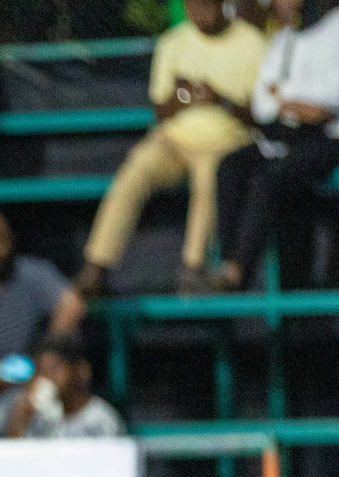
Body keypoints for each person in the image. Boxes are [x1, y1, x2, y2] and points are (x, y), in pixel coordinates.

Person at [75, 0, 267, 297]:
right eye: (192, 6)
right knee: (136, 170)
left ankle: (193, 268)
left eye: (204, 5)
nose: (198, 12)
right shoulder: (172, 43)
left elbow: (262, 115)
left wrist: (219, 100)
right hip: (174, 140)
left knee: (211, 179)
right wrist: (183, 97)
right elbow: (160, 109)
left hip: (225, 141)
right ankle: (97, 264)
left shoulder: (252, 43)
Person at [211, 0, 339, 291]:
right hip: (286, 140)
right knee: (230, 167)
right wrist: (299, 104)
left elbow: (328, 105)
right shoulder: (286, 38)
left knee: (270, 178)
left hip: (337, 140)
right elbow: (263, 105)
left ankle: (236, 274)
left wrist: (285, 96)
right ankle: (225, 268)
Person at [0, 209, 87, 431]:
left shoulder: (31, 275)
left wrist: (45, 361)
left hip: (27, 379)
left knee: (17, 409)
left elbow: (71, 305)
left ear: (9, 240)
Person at [4, 334, 127, 438]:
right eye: (42, 372)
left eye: (54, 370)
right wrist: (20, 415)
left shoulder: (100, 419)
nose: (48, 378)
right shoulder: (39, 417)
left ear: (79, 370)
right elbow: (16, 459)